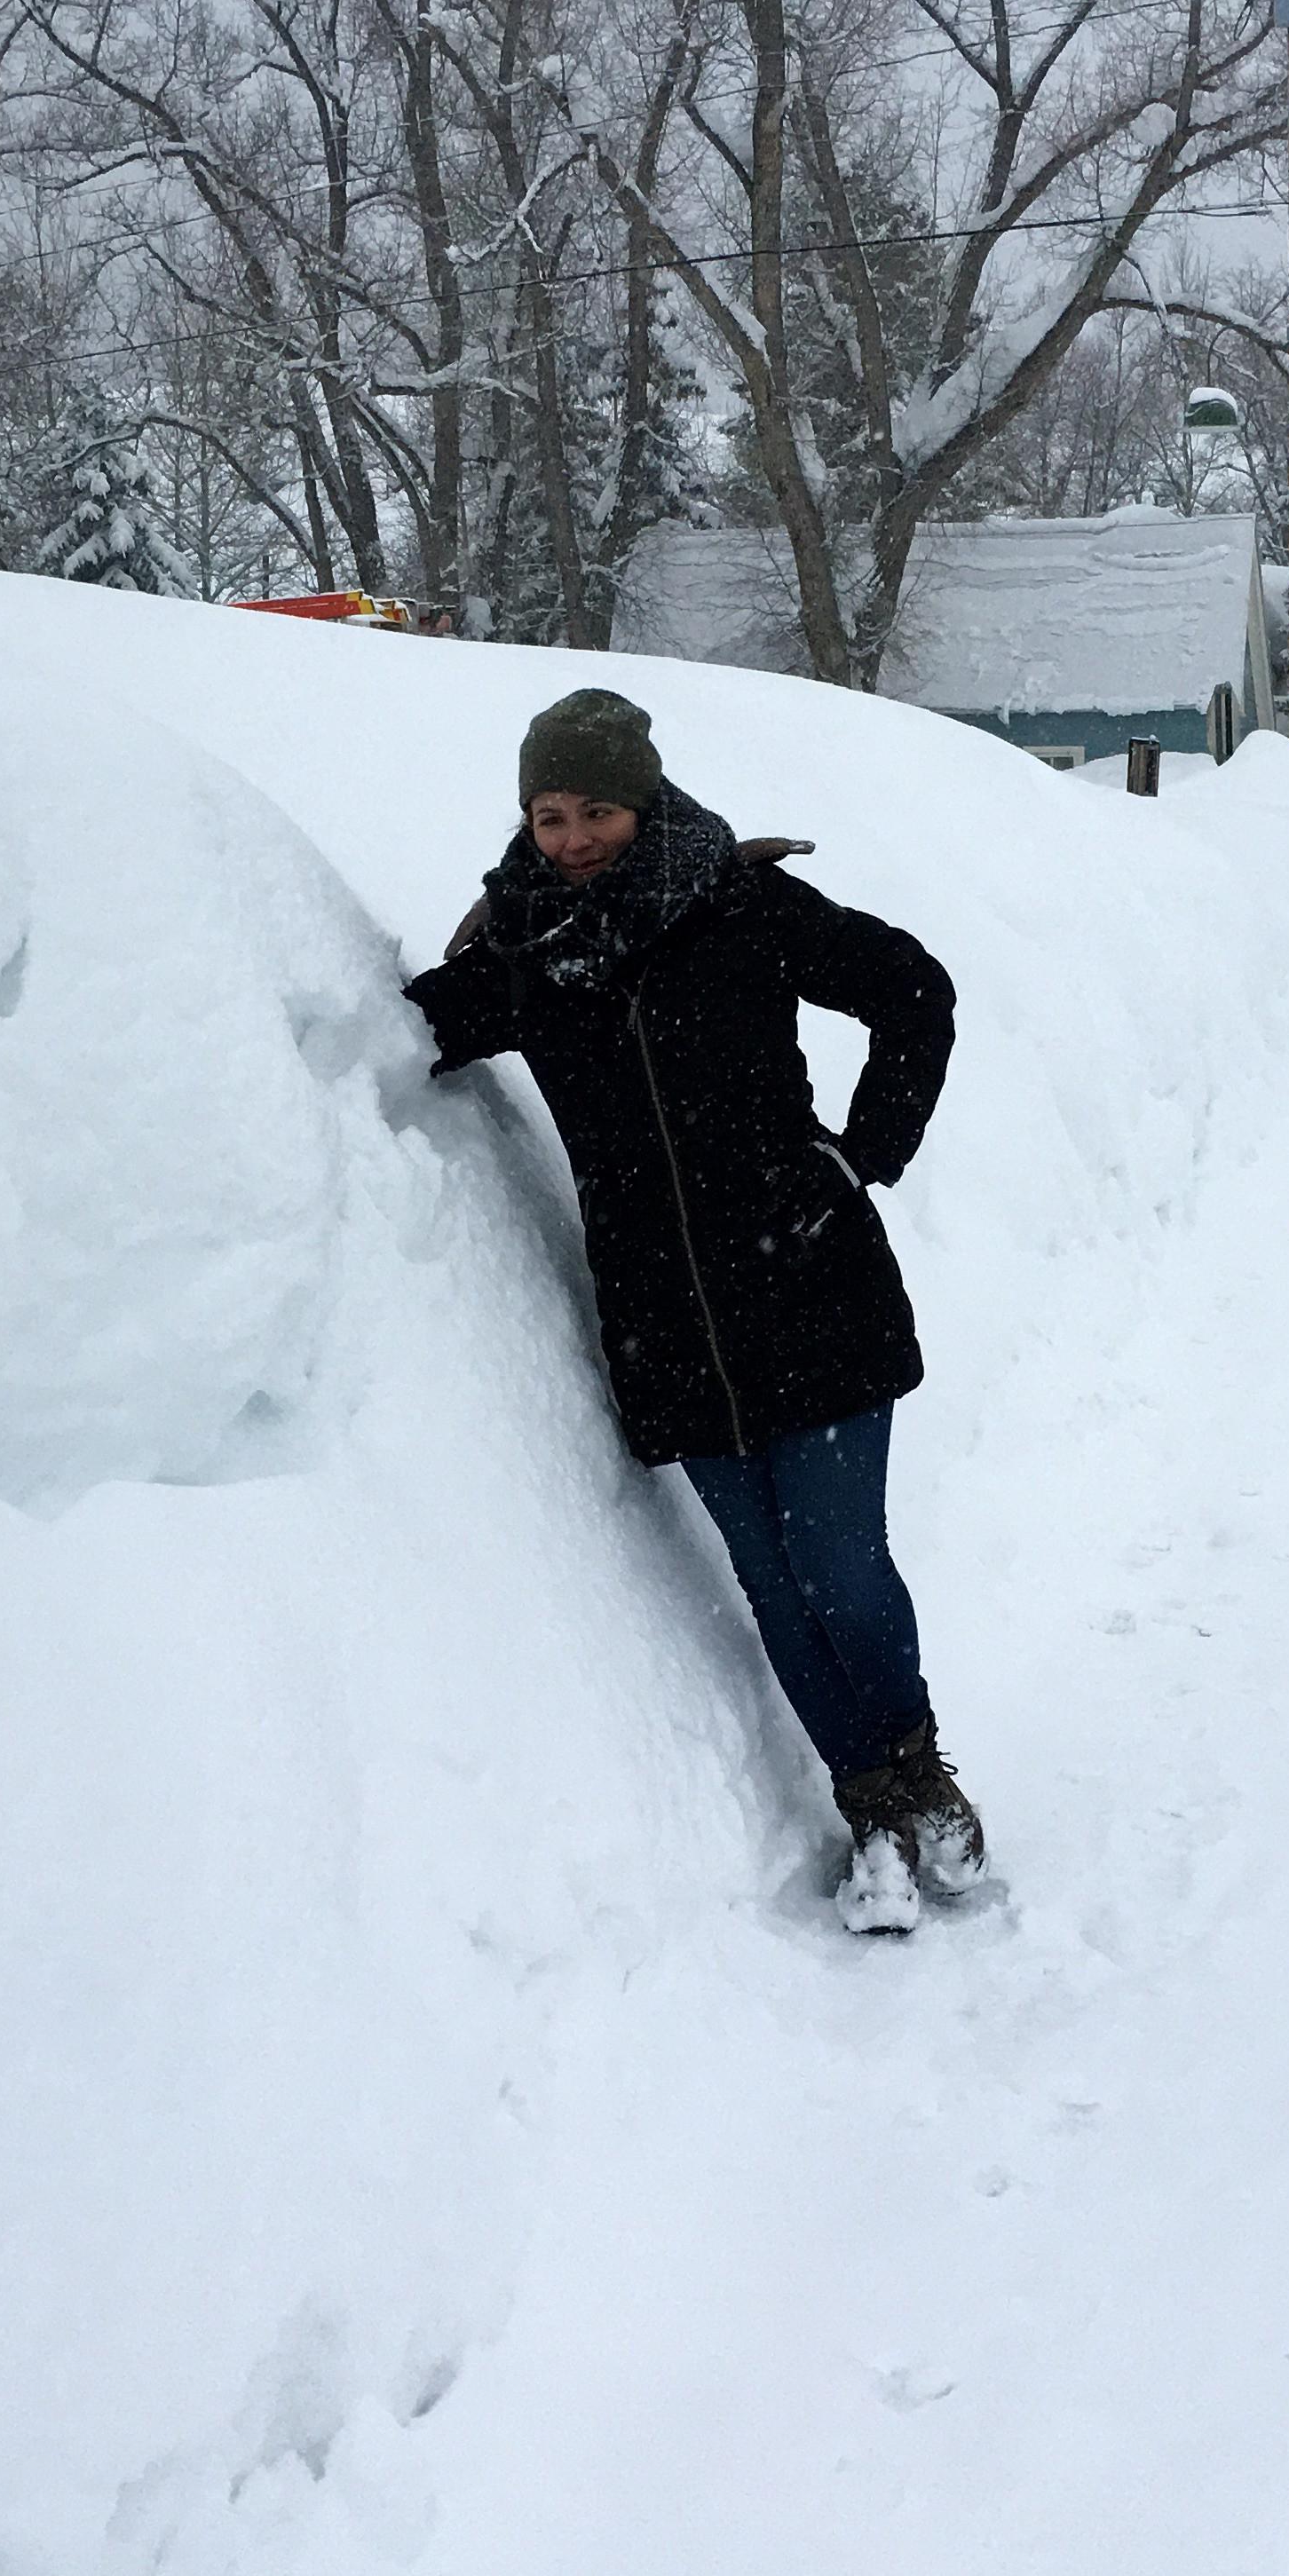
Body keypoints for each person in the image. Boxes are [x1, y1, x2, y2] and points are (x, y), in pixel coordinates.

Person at [401, 688, 995, 1934]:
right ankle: (870, 1811)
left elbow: (913, 990)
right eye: (549, 815)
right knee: (773, 1584)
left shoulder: (737, 905)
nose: (573, 838)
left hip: (808, 1285)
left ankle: (919, 1770)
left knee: (839, 1568)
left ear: (645, 801)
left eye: (597, 810)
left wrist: (861, 1157)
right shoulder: (525, 952)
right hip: (667, 1327)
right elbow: (407, 1035)